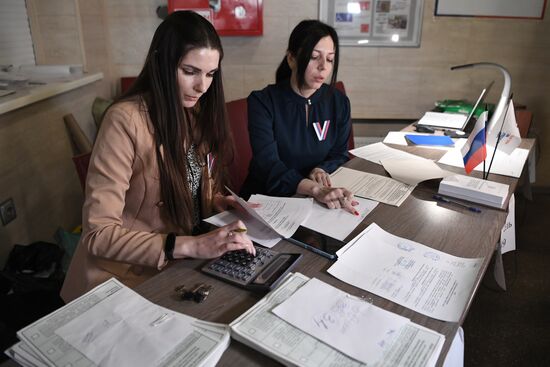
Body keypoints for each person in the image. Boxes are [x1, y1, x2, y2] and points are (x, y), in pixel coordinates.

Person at [61, 11, 254, 303]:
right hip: (121, 277)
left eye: (210, 74)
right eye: (190, 72)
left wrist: (216, 201)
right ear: (161, 64)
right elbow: (98, 235)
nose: (202, 87)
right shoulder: (124, 121)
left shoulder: (194, 112)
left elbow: (189, 181)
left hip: (174, 268)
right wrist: (190, 246)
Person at [241, 20, 358, 214]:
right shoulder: (262, 102)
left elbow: (340, 154)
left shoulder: (338, 102)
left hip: (317, 202)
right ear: (292, 59)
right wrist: (314, 189)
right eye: (314, 57)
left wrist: (321, 169)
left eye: (329, 59)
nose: (323, 67)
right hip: (269, 200)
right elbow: (268, 164)